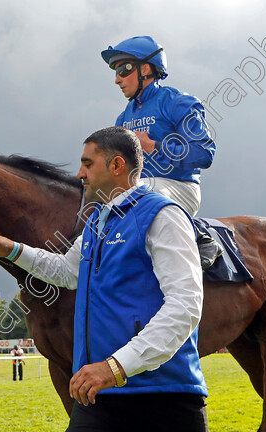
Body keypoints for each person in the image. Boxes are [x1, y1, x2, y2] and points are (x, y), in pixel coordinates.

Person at [0, 127, 219, 432]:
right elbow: (65, 271)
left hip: (163, 393)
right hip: (100, 394)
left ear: (117, 165)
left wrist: (116, 367)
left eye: (88, 164)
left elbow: (186, 305)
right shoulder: (96, 222)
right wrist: (13, 249)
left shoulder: (162, 215)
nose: (79, 174)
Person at [102, 35, 222, 268]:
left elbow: (204, 154)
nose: (117, 79)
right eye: (115, 72)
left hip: (179, 188)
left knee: (140, 191)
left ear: (145, 69)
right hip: (138, 190)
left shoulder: (178, 102)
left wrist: (153, 147)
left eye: (123, 70)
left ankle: (201, 238)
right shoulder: (123, 117)